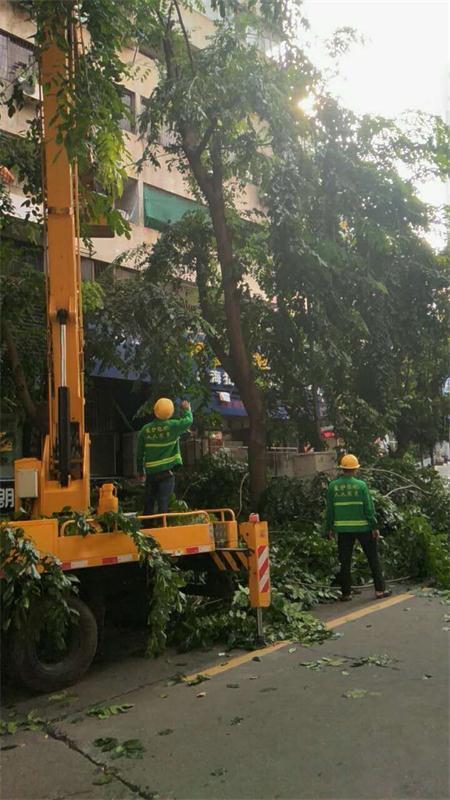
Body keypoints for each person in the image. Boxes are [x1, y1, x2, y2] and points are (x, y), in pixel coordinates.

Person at [326, 453, 391, 602]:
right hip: (364, 529)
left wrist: (329, 528)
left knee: (345, 562)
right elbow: (368, 509)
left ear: (342, 469)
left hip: (343, 531)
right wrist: (374, 526)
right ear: (355, 469)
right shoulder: (361, 486)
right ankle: (380, 590)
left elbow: (330, 510)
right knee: (373, 559)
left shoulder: (333, 486)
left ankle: (346, 593)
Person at [136, 398, 192, 526]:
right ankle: (162, 526)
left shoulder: (145, 430)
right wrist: (187, 410)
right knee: (163, 501)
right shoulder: (173, 426)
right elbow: (188, 421)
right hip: (167, 472)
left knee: (149, 501)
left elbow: (139, 453)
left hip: (151, 472)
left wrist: (140, 470)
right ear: (170, 412)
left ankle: (147, 527)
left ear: (155, 410)